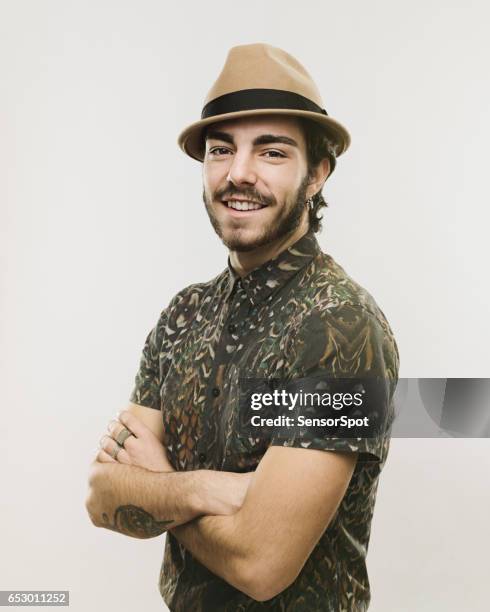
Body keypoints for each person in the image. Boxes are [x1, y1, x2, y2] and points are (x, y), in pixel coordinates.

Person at [85, 43, 400, 611]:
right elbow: (102, 497)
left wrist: (157, 485)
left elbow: (261, 565)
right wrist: (208, 488)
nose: (238, 173)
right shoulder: (183, 316)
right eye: (221, 150)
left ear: (317, 174)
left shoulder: (341, 328)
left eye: (272, 152)